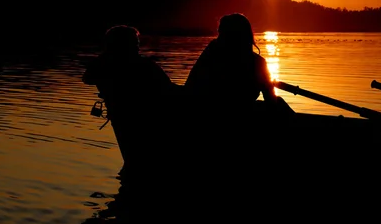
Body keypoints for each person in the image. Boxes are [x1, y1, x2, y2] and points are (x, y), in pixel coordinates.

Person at [83, 25, 179, 164]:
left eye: (137, 43)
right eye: (134, 43)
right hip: (149, 120)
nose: (138, 46)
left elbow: (88, 78)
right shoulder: (144, 66)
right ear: (124, 44)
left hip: (122, 117)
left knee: (134, 159)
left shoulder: (103, 65)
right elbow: (169, 90)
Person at [184, 13, 294, 119]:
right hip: (222, 112)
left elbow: (189, 86)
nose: (219, 38)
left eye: (222, 34)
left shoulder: (212, 51)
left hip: (230, 112)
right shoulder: (258, 63)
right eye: (219, 34)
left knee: (278, 103)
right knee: (279, 104)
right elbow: (270, 100)